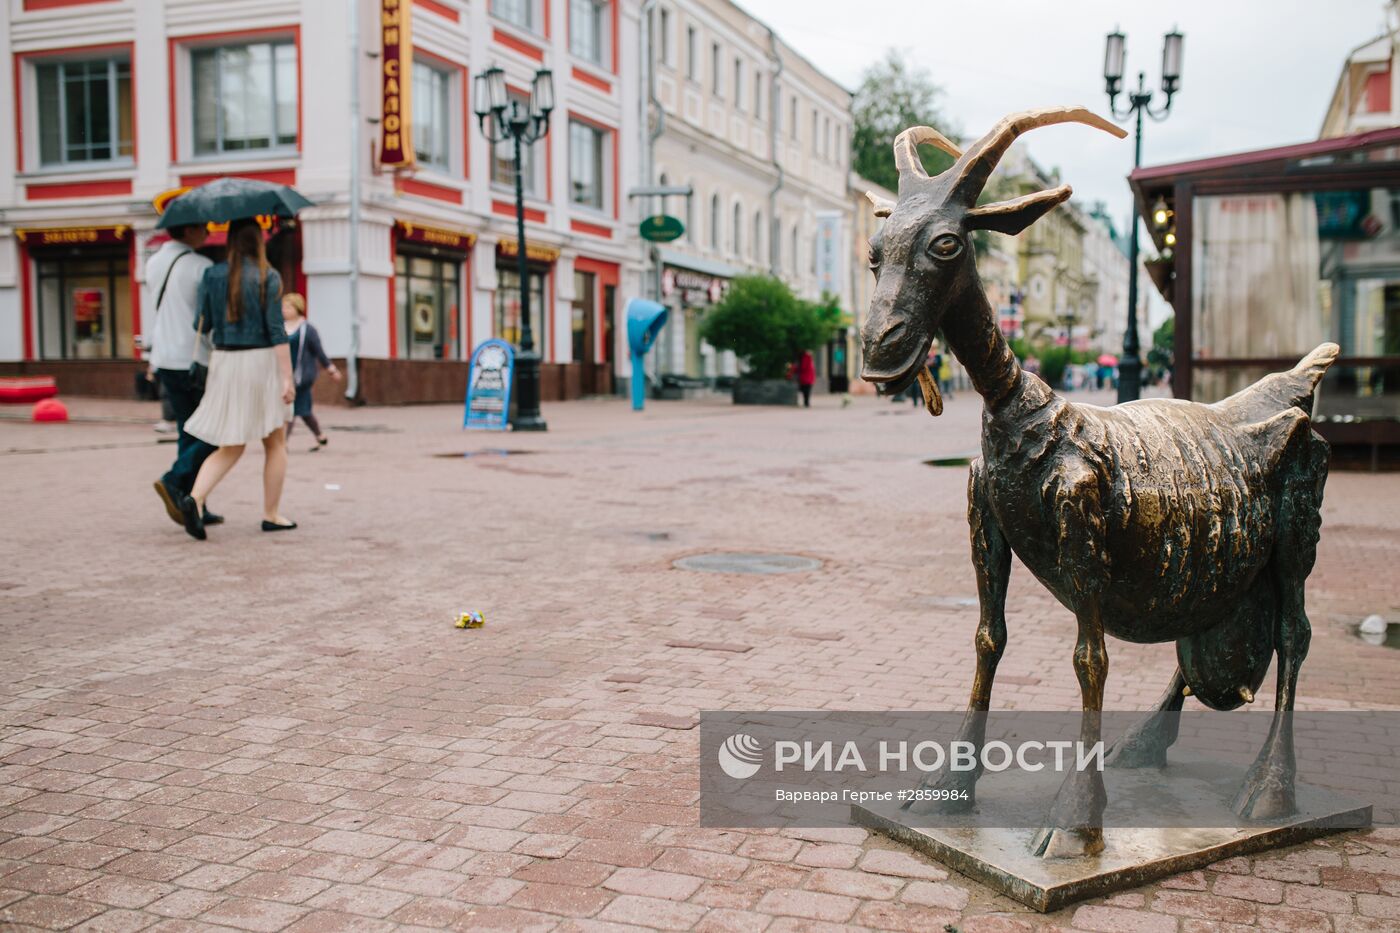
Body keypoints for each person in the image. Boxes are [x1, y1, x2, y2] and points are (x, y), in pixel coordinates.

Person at [179, 218, 296, 540]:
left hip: (224, 361)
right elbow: (276, 331)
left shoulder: (212, 274)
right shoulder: (267, 276)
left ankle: (195, 498)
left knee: (230, 444)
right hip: (259, 362)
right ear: (258, 241)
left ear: (230, 241)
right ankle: (271, 514)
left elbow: (200, 323)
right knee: (275, 443)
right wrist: (288, 378)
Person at [148, 222, 224, 528]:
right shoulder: (201, 266)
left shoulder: (153, 261)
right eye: (202, 228)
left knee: (187, 430)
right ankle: (175, 480)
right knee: (214, 433)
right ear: (189, 231)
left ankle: (193, 503)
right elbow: (206, 317)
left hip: (164, 356)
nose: (206, 232)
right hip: (193, 359)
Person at [281, 293, 341, 450]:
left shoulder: (307, 329)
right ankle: (320, 435)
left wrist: (331, 369)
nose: (284, 310)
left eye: (288, 306)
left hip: (302, 376)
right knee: (304, 411)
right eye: (283, 306)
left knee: (292, 408)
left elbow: (319, 352)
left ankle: (282, 443)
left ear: (298, 308)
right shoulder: (280, 327)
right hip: (283, 374)